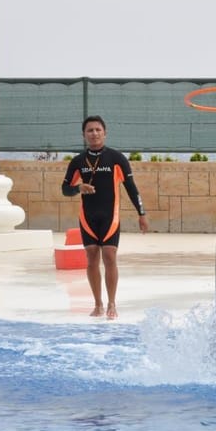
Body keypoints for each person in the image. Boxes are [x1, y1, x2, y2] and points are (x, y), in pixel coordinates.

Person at [62, 115, 149, 319]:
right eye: (90, 130)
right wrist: (78, 188)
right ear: (84, 135)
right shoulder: (77, 161)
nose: (94, 133)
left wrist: (141, 213)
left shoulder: (116, 158)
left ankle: (112, 304)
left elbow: (131, 188)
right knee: (92, 259)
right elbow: (65, 189)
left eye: (98, 130)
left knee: (109, 257)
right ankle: (98, 304)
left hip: (111, 216)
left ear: (105, 132)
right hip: (88, 217)